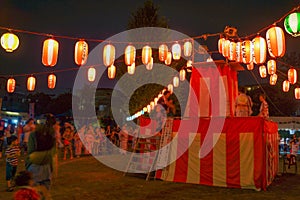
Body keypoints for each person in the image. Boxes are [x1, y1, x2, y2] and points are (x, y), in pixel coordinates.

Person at [25, 113, 56, 192]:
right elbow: (52, 153)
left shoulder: (33, 135)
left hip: (35, 165)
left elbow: (30, 151)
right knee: (45, 193)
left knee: (34, 193)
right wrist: (51, 168)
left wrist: (27, 166)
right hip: (47, 167)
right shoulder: (51, 135)